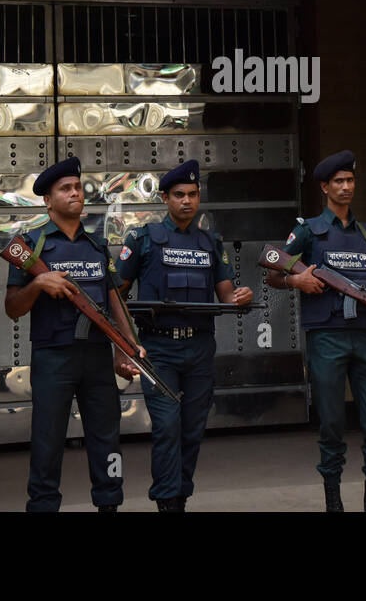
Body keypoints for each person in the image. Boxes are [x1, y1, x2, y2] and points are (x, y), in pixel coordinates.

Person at [265, 150, 366, 512]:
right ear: (325, 187)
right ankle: (334, 501)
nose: (345, 187)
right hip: (327, 335)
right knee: (331, 422)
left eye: (350, 181)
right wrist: (299, 280)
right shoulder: (308, 231)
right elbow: (272, 272)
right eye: (338, 182)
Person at [4, 157, 144, 512]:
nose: (75, 194)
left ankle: (110, 502)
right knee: (48, 442)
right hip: (53, 357)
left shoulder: (96, 246)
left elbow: (113, 300)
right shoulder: (30, 245)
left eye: (78, 188)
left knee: (106, 439)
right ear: (48, 200)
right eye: (65, 189)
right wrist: (38, 283)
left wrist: (126, 348)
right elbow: (12, 308)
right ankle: (43, 505)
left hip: (97, 358)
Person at [117, 160, 253, 511]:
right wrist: (124, 344)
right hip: (158, 350)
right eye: (179, 195)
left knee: (192, 430)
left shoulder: (211, 242)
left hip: (199, 348)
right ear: (165, 197)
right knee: (167, 428)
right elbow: (116, 293)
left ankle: (179, 496)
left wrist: (239, 297)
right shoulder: (142, 239)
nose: (187, 201)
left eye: (193, 194)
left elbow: (226, 293)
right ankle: (167, 503)